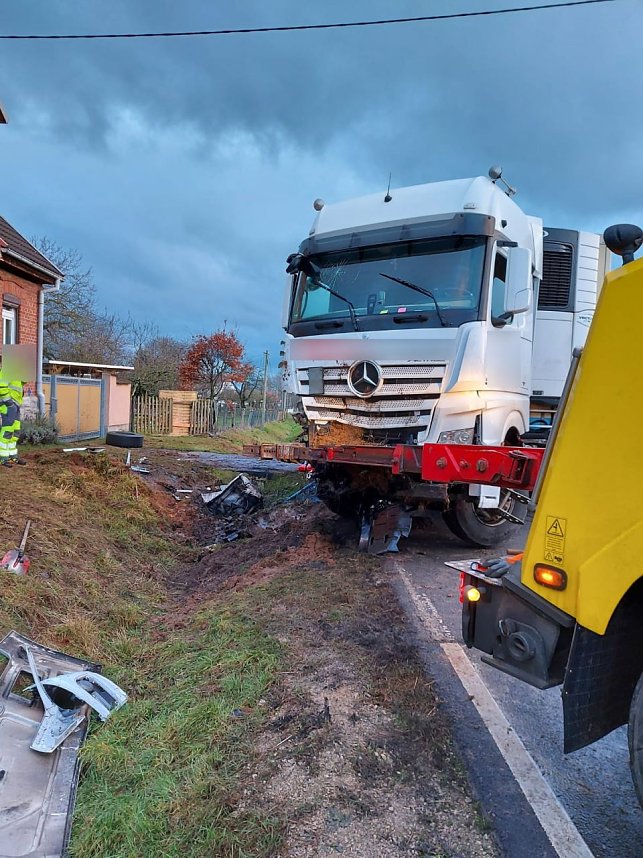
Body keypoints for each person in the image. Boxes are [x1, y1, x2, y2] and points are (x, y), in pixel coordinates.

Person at [0, 378, 25, 467]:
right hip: (8, 405)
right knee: (7, 431)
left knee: (15, 432)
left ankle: (12, 456)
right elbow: (1, 386)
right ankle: (3, 458)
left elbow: (23, 382)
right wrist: (9, 402)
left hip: (16, 405)